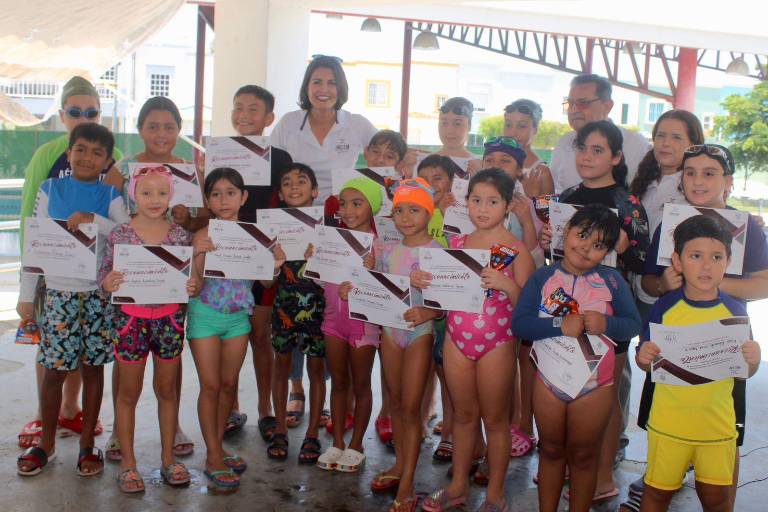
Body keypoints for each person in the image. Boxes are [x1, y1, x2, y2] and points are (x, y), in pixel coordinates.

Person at [626, 144, 768, 512]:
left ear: (728, 181)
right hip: (674, 342)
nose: (698, 181)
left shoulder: (749, 228)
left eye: (709, 173)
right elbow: (650, 282)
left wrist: (709, 283)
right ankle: (660, 478)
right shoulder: (669, 225)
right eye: (690, 173)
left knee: (724, 442)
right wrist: (666, 284)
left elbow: (764, 284)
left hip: (725, 344)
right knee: (667, 432)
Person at [539, 120, 650, 499]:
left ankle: (602, 474)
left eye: (598, 150)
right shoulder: (568, 196)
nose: (587, 157)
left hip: (609, 311)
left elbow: (645, 263)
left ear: (616, 157)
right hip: (565, 307)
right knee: (563, 382)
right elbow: (556, 257)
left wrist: (624, 247)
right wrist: (548, 240)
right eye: (582, 148)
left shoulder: (627, 203)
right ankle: (568, 466)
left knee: (607, 393)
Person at [16, 123, 130, 477]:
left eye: (97, 153)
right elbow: (36, 241)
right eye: (80, 149)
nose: (87, 157)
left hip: (97, 295)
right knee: (54, 372)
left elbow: (127, 234)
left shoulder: (111, 196)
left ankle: (87, 446)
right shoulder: (50, 188)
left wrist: (94, 220)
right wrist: (25, 294)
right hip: (57, 295)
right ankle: (46, 444)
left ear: (107, 162)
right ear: (69, 154)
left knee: (93, 370)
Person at [514, 204, 642, 512]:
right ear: (566, 231)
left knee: (585, 456)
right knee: (551, 451)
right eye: (582, 235)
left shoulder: (613, 281)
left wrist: (606, 323)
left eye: (598, 245)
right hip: (548, 382)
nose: (585, 248)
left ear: (607, 252)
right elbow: (520, 325)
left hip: (595, 386)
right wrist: (559, 325)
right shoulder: (542, 277)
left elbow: (634, 324)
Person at [422, 169, 535, 512]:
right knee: (463, 415)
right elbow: (440, 300)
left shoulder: (517, 251)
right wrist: (425, 281)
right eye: (476, 200)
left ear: (508, 205)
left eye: (492, 201)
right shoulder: (456, 245)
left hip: (497, 343)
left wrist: (508, 285)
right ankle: (458, 485)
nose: (483, 209)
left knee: (496, 421)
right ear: (466, 202)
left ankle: (495, 493)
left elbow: (528, 311)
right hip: (456, 339)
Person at [102, 95, 194, 460]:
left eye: (169, 127)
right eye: (153, 126)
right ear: (140, 129)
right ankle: (117, 432)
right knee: (127, 370)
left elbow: (199, 220)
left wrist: (187, 221)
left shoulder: (188, 169)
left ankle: (173, 432)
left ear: (179, 130)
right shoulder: (123, 168)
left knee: (169, 372)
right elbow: (106, 210)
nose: (161, 133)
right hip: (132, 288)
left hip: (168, 289)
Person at [188, 168, 284, 490]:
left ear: (243, 197)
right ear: (208, 200)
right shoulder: (202, 235)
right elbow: (196, 285)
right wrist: (198, 255)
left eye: (231, 192)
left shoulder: (256, 236)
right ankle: (213, 457)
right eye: (216, 194)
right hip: (205, 315)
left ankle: (217, 448)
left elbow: (266, 283)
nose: (223, 199)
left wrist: (275, 265)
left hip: (239, 318)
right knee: (211, 386)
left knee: (229, 386)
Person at [221, 85, 294, 442]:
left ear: (269, 118)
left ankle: (265, 408)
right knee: (231, 334)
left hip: (265, 256)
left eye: (253, 109)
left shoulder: (281, 159)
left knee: (260, 336)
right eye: (238, 107)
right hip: (227, 255)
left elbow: (291, 201)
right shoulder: (219, 154)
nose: (244, 115)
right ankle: (231, 407)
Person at [369, 178, 443, 511]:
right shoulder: (387, 251)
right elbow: (375, 289)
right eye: (399, 210)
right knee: (397, 403)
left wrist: (428, 311)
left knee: (411, 409)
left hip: (419, 333)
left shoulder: (438, 253)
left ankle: (409, 481)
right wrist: (357, 283)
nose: (406, 217)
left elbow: (447, 301)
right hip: (390, 331)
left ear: (429, 212)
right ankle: (400, 464)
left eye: (414, 210)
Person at [315, 177, 382, 473]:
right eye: (343, 204)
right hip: (333, 322)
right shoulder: (332, 241)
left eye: (357, 203)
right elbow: (322, 282)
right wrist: (315, 262)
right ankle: (338, 441)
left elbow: (388, 290)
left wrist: (372, 272)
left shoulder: (380, 247)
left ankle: (356, 444)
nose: (349, 210)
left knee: (361, 384)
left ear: (373, 207)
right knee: (339, 383)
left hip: (363, 327)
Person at [264, 163, 327, 464]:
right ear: (280, 193)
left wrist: (320, 260)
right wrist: (275, 264)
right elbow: (266, 283)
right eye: (287, 182)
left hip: (318, 309)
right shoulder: (271, 232)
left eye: (301, 181)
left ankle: (312, 433)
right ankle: (280, 429)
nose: (294, 186)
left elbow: (335, 279)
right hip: (283, 308)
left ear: (315, 191)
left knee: (316, 372)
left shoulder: (326, 231)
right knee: (282, 368)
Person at [270, 55, 377, 204]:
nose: (324, 89)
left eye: (332, 83)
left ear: (340, 89)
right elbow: (269, 166)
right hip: (297, 211)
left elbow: (390, 150)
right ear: (307, 87)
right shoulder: (288, 123)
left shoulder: (356, 123)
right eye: (317, 82)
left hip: (342, 211)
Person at [550, 74, 651, 194]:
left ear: (607, 106)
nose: (574, 110)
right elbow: (554, 192)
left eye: (583, 103)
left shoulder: (636, 144)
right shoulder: (564, 142)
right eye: (570, 104)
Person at [503, 99, 554, 197]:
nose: (513, 133)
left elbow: (549, 207)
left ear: (535, 129)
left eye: (522, 126)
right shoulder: (495, 162)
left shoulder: (541, 172)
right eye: (508, 125)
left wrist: (532, 196)